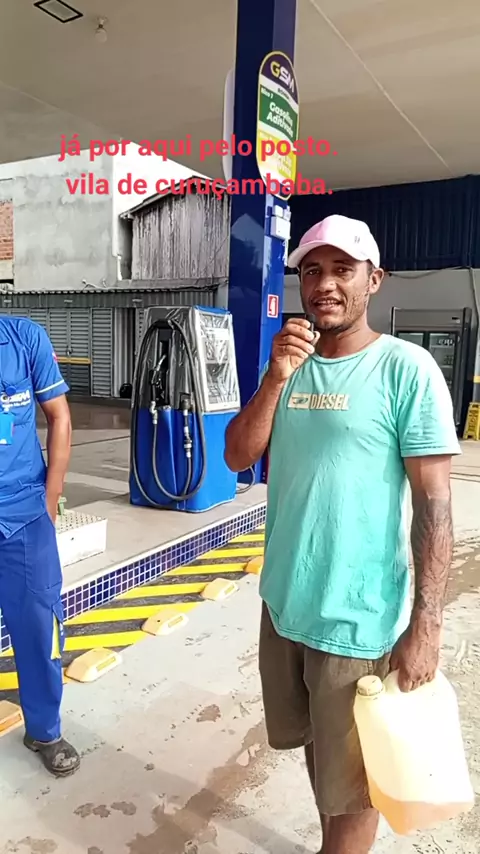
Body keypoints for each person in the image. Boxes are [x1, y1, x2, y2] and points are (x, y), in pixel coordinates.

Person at [224, 214, 460, 854]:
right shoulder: (289, 365)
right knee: (322, 760)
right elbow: (238, 455)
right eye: (312, 271)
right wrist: (275, 377)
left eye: (342, 270)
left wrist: (426, 622)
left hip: (356, 621)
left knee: (356, 788)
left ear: (373, 279)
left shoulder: (406, 369)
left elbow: (434, 503)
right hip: (285, 607)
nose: (325, 284)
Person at [0, 314, 80, 777]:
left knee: (40, 629)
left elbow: (59, 416)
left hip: (24, 516)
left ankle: (44, 730)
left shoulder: (24, 338)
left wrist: (50, 497)